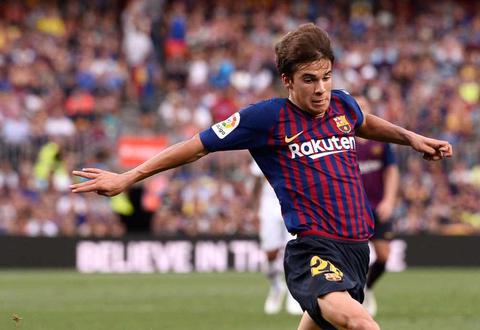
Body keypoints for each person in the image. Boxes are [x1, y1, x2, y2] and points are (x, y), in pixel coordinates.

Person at [70, 23, 452, 330]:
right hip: (313, 252)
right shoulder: (265, 119)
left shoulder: (342, 105)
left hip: (356, 250)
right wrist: (128, 177)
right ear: (287, 80)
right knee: (360, 323)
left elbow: (365, 123)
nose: (320, 89)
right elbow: (196, 144)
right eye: (308, 79)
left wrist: (412, 138)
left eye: (326, 76)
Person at [354, 96, 400, 317]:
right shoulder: (344, 140)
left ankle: (367, 288)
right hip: (354, 209)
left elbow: (391, 171)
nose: (360, 110)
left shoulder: (380, 140)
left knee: (383, 256)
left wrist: (389, 200)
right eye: (357, 106)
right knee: (353, 257)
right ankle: (351, 299)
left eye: (364, 107)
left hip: (377, 207)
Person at [250, 161, 302, 315]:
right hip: (269, 204)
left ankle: (295, 294)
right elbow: (257, 183)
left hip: (293, 201)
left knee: (293, 251)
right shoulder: (261, 140)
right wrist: (254, 210)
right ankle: (276, 287)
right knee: (270, 253)